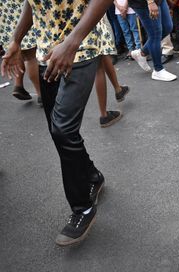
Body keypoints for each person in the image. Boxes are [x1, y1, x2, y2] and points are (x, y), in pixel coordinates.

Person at [1, 0, 114, 246]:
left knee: (63, 130)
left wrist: (72, 42)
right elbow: (31, 4)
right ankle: (93, 176)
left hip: (82, 47)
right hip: (46, 51)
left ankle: (83, 208)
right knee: (58, 131)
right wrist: (16, 40)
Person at [0, 0, 41, 105]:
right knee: (31, 56)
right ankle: (41, 94)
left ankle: (18, 85)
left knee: (18, 51)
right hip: (21, 10)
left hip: (6, 11)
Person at [128, 0, 177, 81]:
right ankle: (158, 70)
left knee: (167, 27)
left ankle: (142, 53)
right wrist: (150, 2)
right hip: (143, 3)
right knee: (155, 33)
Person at [94, 19, 130, 128]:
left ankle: (118, 89)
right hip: (87, 20)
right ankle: (104, 115)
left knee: (103, 54)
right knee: (98, 66)